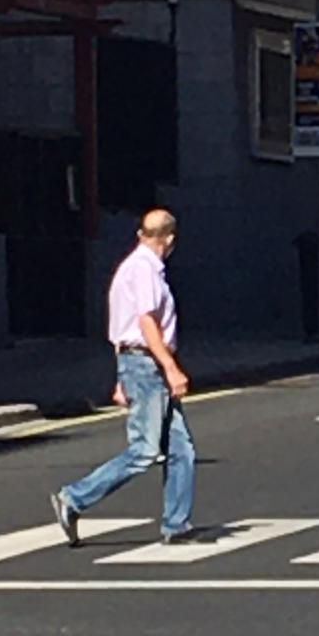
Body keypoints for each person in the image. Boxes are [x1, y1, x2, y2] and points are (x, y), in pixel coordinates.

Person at [51, 208, 197, 546]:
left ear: (141, 234)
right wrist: (171, 368)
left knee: (182, 450)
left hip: (139, 365)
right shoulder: (145, 270)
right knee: (144, 451)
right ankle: (73, 498)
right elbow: (145, 323)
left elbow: (121, 328)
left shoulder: (130, 268)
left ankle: (177, 524)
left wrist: (122, 377)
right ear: (170, 239)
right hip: (148, 365)